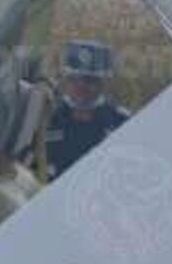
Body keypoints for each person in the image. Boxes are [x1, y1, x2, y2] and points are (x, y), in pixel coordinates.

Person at [43, 39, 128, 177]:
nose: (81, 85)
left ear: (104, 82)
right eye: (74, 78)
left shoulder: (121, 123)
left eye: (89, 79)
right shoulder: (46, 118)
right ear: (65, 78)